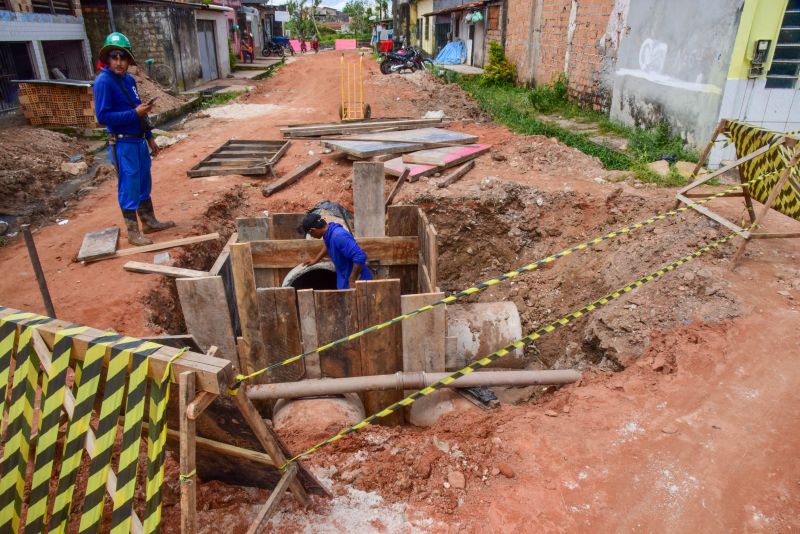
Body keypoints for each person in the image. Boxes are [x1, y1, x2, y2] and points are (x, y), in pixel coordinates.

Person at [93, 32, 174, 246]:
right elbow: (103, 117)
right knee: (129, 184)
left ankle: (149, 221)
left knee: (143, 181)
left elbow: (139, 111)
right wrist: (134, 114)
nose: (119, 62)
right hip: (122, 142)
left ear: (128, 60)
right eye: (114, 57)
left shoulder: (129, 80)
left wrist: (149, 137)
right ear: (108, 59)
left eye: (122, 57)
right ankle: (133, 232)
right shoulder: (103, 82)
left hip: (138, 140)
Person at [302, 213, 373, 289]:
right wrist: (315, 260)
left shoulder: (339, 236)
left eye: (310, 234)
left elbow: (360, 256)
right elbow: (328, 244)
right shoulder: (329, 233)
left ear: (312, 230)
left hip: (359, 284)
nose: (312, 236)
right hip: (345, 280)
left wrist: (352, 280)